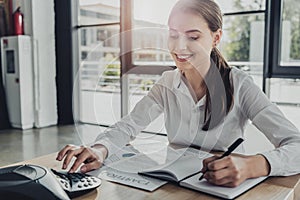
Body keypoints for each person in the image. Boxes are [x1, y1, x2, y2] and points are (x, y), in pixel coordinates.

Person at [57, 0, 300, 187]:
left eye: (193, 37)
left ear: (216, 38)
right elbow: (128, 125)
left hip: (222, 186)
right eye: (173, 35)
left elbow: (296, 146)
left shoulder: (240, 84)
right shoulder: (167, 83)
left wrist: (254, 165)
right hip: (173, 184)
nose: (179, 47)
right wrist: (100, 149)